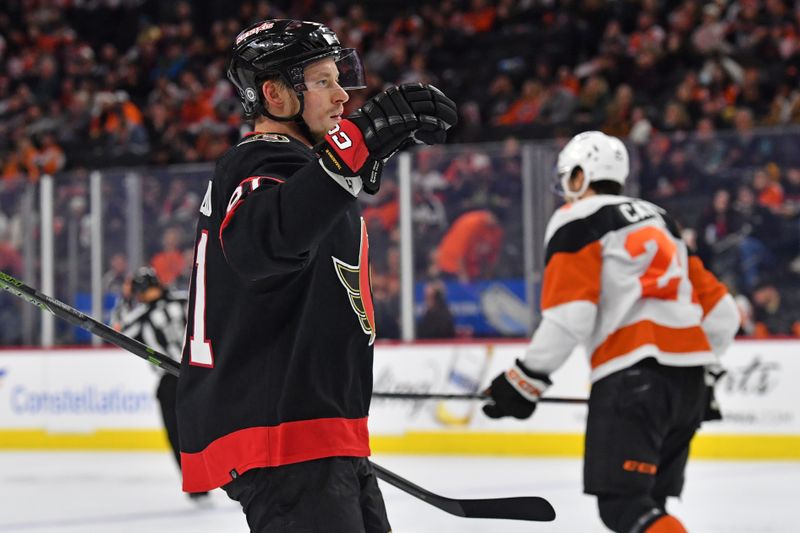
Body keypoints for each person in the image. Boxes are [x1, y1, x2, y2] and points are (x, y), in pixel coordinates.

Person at [176, 19, 456, 533]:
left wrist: (351, 157)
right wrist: (353, 149)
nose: (342, 97)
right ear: (276, 95)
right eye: (323, 81)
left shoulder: (301, 170)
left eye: (339, 79)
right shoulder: (260, 160)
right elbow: (262, 244)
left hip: (318, 431)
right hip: (286, 437)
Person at [481, 131, 740, 533]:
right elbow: (724, 315)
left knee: (624, 506)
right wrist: (702, 373)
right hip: (689, 384)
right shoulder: (662, 220)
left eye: (569, 178)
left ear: (582, 176)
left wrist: (524, 379)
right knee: (650, 504)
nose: (566, 191)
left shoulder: (577, 219)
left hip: (632, 377)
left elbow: (571, 318)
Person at [112, 267, 209, 503]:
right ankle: (234, 476)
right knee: (212, 426)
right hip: (202, 374)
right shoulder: (184, 299)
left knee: (178, 435)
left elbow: (115, 331)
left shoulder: (142, 316)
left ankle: (198, 485)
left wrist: (124, 299)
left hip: (172, 380)